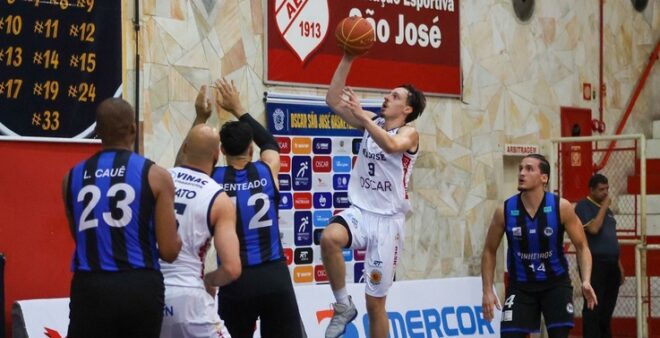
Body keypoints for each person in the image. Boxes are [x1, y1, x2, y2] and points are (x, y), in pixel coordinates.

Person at [183, 80, 305, 338]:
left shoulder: (212, 179)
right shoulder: (267, 168)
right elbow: (270, 142)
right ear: (251, 148)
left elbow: (184, 166)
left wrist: (200, 119)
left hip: (235, 279)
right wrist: (239, 108)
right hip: (274, 275)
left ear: (222, 150)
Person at [320, 52, 426, 338]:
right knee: (329, 238)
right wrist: (347, 58)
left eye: (394, 96)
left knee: (375, 305)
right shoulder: (374, 123)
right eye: (388, 94)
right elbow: (331, 100)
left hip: (388, 223)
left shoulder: (410, 133)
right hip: (361, 211)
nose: (386, 98)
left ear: (407, 109)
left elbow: (392, 146)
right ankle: (343, 305)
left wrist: (364, 119)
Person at [61, 98, 182, 338]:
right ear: (133, 129)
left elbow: (81, 237)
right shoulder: (156, 175)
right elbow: (169, 251)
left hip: (90, 286)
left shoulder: (71, 177)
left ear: (97, 131)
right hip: (138, 286)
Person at [480, 153, 598, 338]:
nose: (522, 173)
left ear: (544, 178)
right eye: (520, 168)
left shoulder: (561, 207)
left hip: (555, 285)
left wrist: (586, 280)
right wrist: (487, 290)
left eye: (529, 169)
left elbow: (582, 246)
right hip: (520, 287)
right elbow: (489, 251)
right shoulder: (505, 211)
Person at [160, 124, 241, 338]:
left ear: (184, 147)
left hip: (150, 294)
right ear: (217, 155)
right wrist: (210, 281)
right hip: (189, 297)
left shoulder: (159, 179)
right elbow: (232, 269)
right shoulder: (218, 198)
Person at [575, 173, 625, 338]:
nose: (605, 193)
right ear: (591, 190)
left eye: (607, 189)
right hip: (594, 265)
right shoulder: (583, 206)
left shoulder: (608, 212)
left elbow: (612, 238)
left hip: (611, 265)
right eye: (601, 190)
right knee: (593, 308)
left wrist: (619, 266)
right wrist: (604, 206)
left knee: (607, 309)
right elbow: (594, 229)